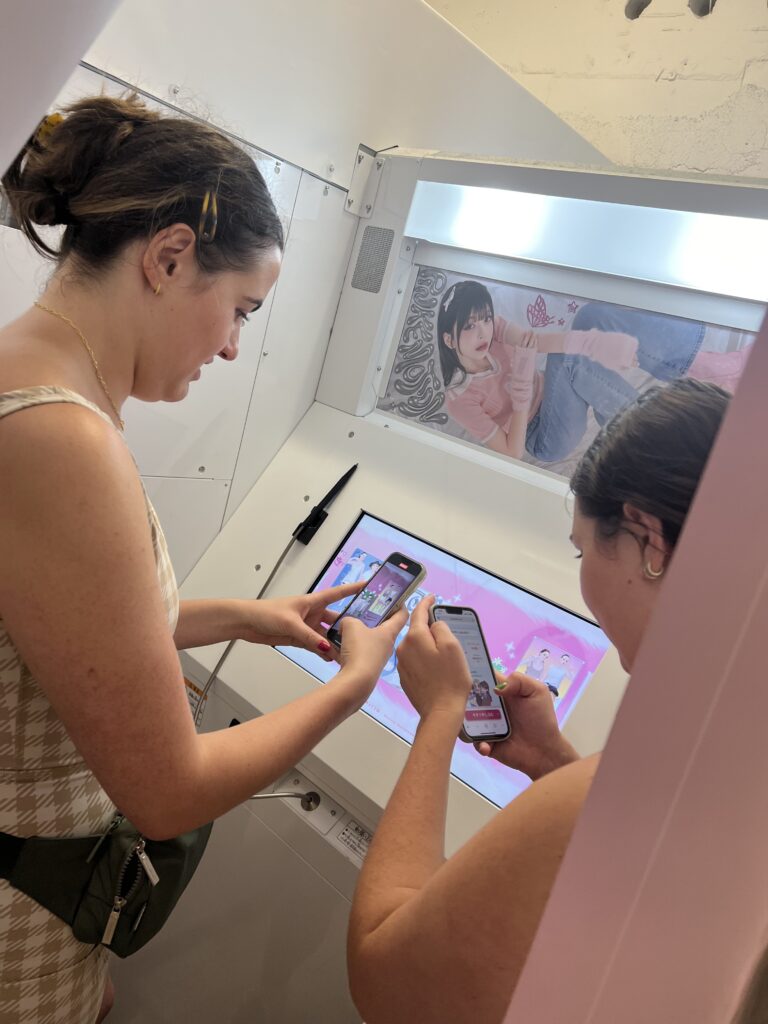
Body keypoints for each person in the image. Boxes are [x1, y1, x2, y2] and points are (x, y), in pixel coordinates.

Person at [0, 96, 405, 1024]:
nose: (230, 347)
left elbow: (62, 630)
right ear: (170, 256)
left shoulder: (24, 377)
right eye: (240, 311)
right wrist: (352, 688)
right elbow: (168, 791)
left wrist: (248, 617)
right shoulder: (64, 442)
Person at [347, 378, 730, 1024]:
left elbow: (382, 974)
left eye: (583, 548)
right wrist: (554, 764)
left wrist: (441, 713)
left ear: (649, 540)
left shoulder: (643, 780)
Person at [437, 280, 749, 464]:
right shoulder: (459, 399)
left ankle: (697, 366)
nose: (483, 331)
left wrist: (599, 343)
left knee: (590, 316)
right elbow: (512, 451)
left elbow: (538, 343)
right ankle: (663, 430)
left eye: (485, 319)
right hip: (542, 434)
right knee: (569, 360)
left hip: (556, 391)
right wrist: (521, 391)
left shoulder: (492, 330)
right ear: (449, 339)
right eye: (469, 326)